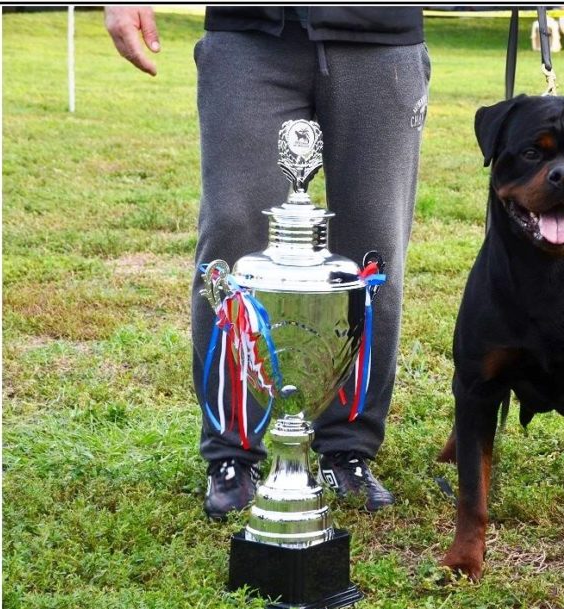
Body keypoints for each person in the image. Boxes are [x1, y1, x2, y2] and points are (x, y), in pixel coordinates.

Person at [105, 6, 430, 517]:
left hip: (380, 37)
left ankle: (348, 446)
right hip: (250, 32)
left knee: (374, 251)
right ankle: (232, 451)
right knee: (232, 236)